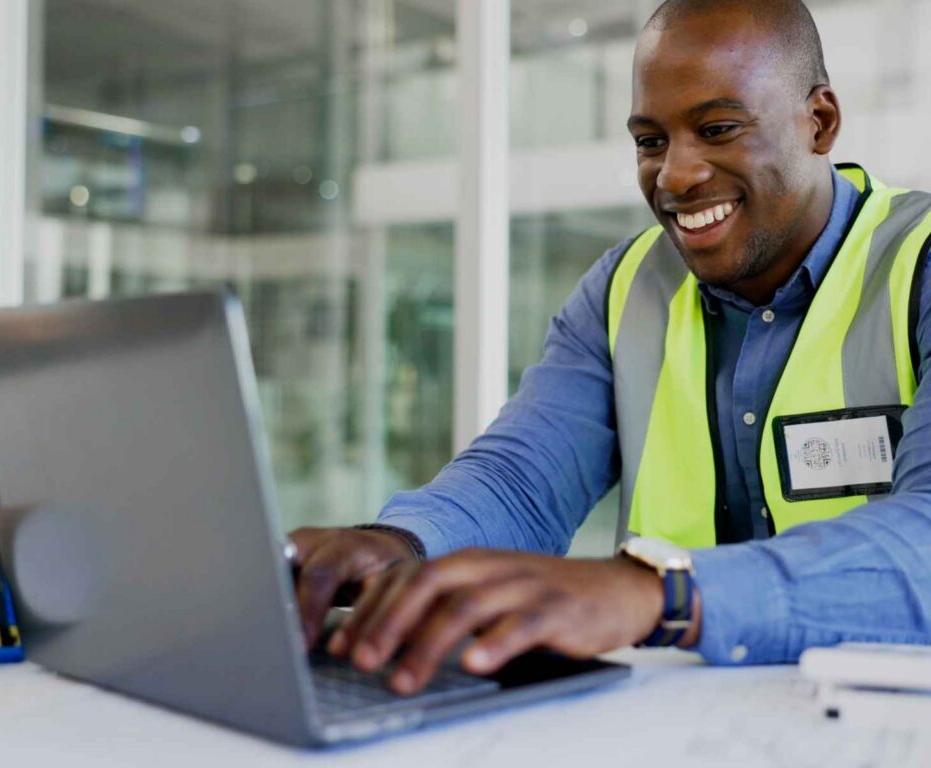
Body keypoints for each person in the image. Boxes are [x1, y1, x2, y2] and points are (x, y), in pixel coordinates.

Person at [291, 0, 931, 696]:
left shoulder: (917, 262)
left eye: (717, 129)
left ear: (820, 122)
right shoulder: (624, 287)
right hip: (675, 722)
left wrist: (659, 594)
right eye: (650, 141)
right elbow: (521, 480)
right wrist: (400, 546)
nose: (675, 175)